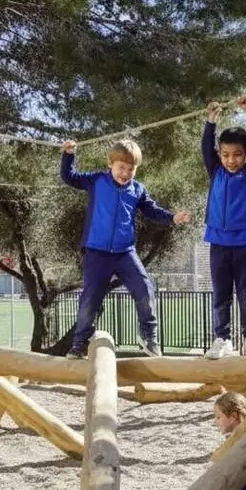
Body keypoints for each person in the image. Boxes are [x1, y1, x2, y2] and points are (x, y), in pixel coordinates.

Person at [59, 138, 191, 359]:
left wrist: (172, 218)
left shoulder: (137, 190)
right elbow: (69, 176)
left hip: (124, 252)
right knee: (90, 298)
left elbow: (152, 210)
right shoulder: (96, 181)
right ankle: (80, 342)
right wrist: (68, 155)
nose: (126, 173)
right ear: (110, 164)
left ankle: (149, 338)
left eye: (131, 169)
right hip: (97, 252)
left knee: (144, 289)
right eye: (122, 168)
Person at [201, 96, 246, 360]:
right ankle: (222, 338)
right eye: (226, 155)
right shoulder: (215, 170)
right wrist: (211, 119)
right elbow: (207, 145)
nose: (231, 160)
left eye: (237, 155)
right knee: (221, 295)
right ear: (220, 155)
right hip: (218, 242)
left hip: (243, 242)